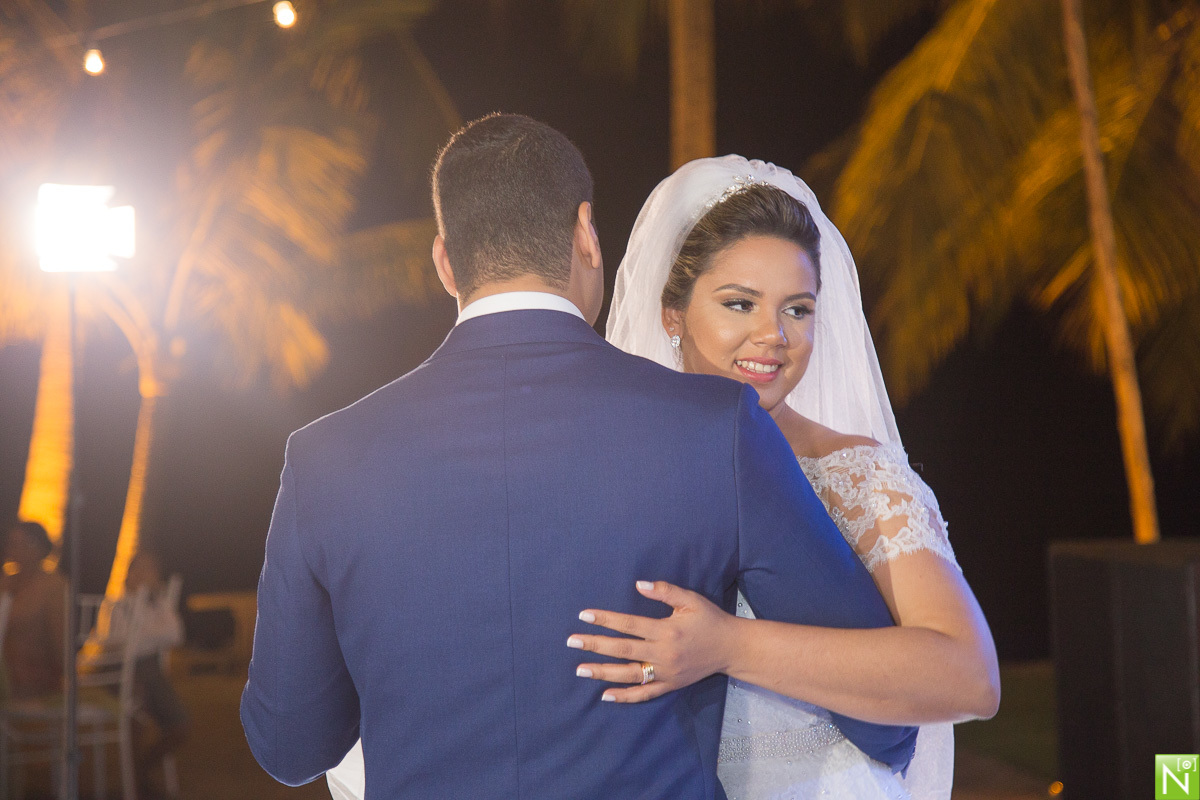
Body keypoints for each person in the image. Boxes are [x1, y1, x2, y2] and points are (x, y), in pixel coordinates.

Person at [244, 114, 916, 800]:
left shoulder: (323, 459)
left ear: (446, 262)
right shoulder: (715, 427)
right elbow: (885, 718)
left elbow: (290, 746)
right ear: (587, 235)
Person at [571, 155, 999, 799]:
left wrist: (727, 646)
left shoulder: (859, 474)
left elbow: (971, 678)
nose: (772, 335)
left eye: (796, 310)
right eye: (739, 303)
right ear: (672, 314)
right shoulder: (610, 470)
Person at [88, 550, 189, 797]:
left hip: (150, 669)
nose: (143, 574)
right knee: (135, 710)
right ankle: (136, 784)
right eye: (138, 568)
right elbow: (119, 642)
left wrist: (147, 624)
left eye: (150, 569)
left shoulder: (159, 603)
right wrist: (151, 633)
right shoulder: (116, 605)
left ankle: (140, 770)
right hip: (120, 670)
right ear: (128, 573)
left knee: (181, 726)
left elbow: (175, 634)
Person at [0, 520, 67, 702]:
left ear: (38, 547)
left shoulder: (53, 586)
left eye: (19, 543)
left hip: (34, 681)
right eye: (11, 543)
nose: (12, 549)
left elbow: (59, 643)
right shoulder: (5, 583)